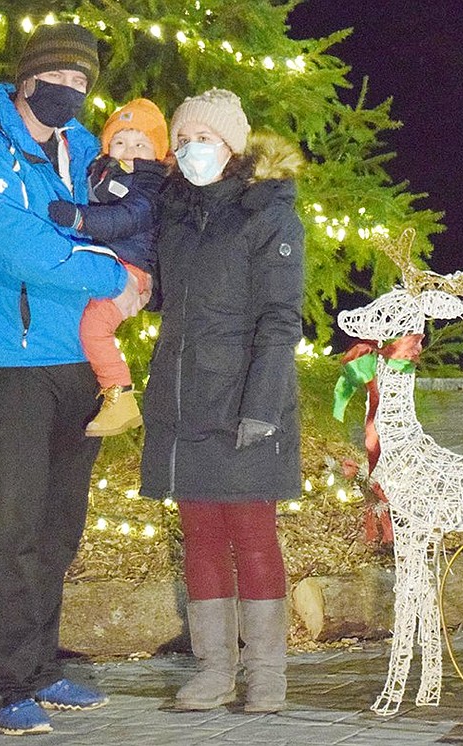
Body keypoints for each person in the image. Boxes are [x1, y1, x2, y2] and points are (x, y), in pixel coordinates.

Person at [0, 23, 147, 735]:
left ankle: (42, 667)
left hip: (77, 358)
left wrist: (134, 270)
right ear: (28, 77)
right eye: (60, 80)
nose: (72, 94)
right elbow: (15, 242)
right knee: (16, 525)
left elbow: (117, 220)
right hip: (9, 357)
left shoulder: (84, 147)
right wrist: (113, 275)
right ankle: (6, 687)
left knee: (59, 525)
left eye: (84, 84)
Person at [139, 89, 305, 713]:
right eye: (181, 141)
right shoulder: (174, 215)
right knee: (201, 536)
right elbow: (155, 291)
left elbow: (280, 320)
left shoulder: (268, 214)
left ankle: (267, 675)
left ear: (232, 146)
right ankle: (213, 671)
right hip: (184, 401)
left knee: (253, 535)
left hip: (244, 401)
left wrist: (261, 407)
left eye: (203, 139)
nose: (190, 151)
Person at [47, 98, 168, 437]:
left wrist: (80, 218)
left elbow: (126, 218)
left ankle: (121, 396)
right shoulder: (102, 171)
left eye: (141, 143)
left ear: (156, 150)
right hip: (107, 263)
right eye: (120, 141)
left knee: (94, 329)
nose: (129, 150)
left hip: (131, 269)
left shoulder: (149, 185)